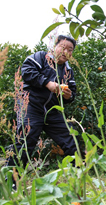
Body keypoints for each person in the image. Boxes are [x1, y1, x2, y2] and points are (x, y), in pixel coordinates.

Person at [5, 35, 79, 188]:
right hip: (31, 105)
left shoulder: (68, 70)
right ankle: (10, 183)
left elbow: (72, 92)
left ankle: (78, 175)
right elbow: (26, 71)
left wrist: (68, 96)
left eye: (70, 50)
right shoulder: (41, 57)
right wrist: (47, 83)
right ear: (55, 46)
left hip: (52, 110)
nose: (66, 51)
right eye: (63, 47)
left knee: (71, 138)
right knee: (26, 139)